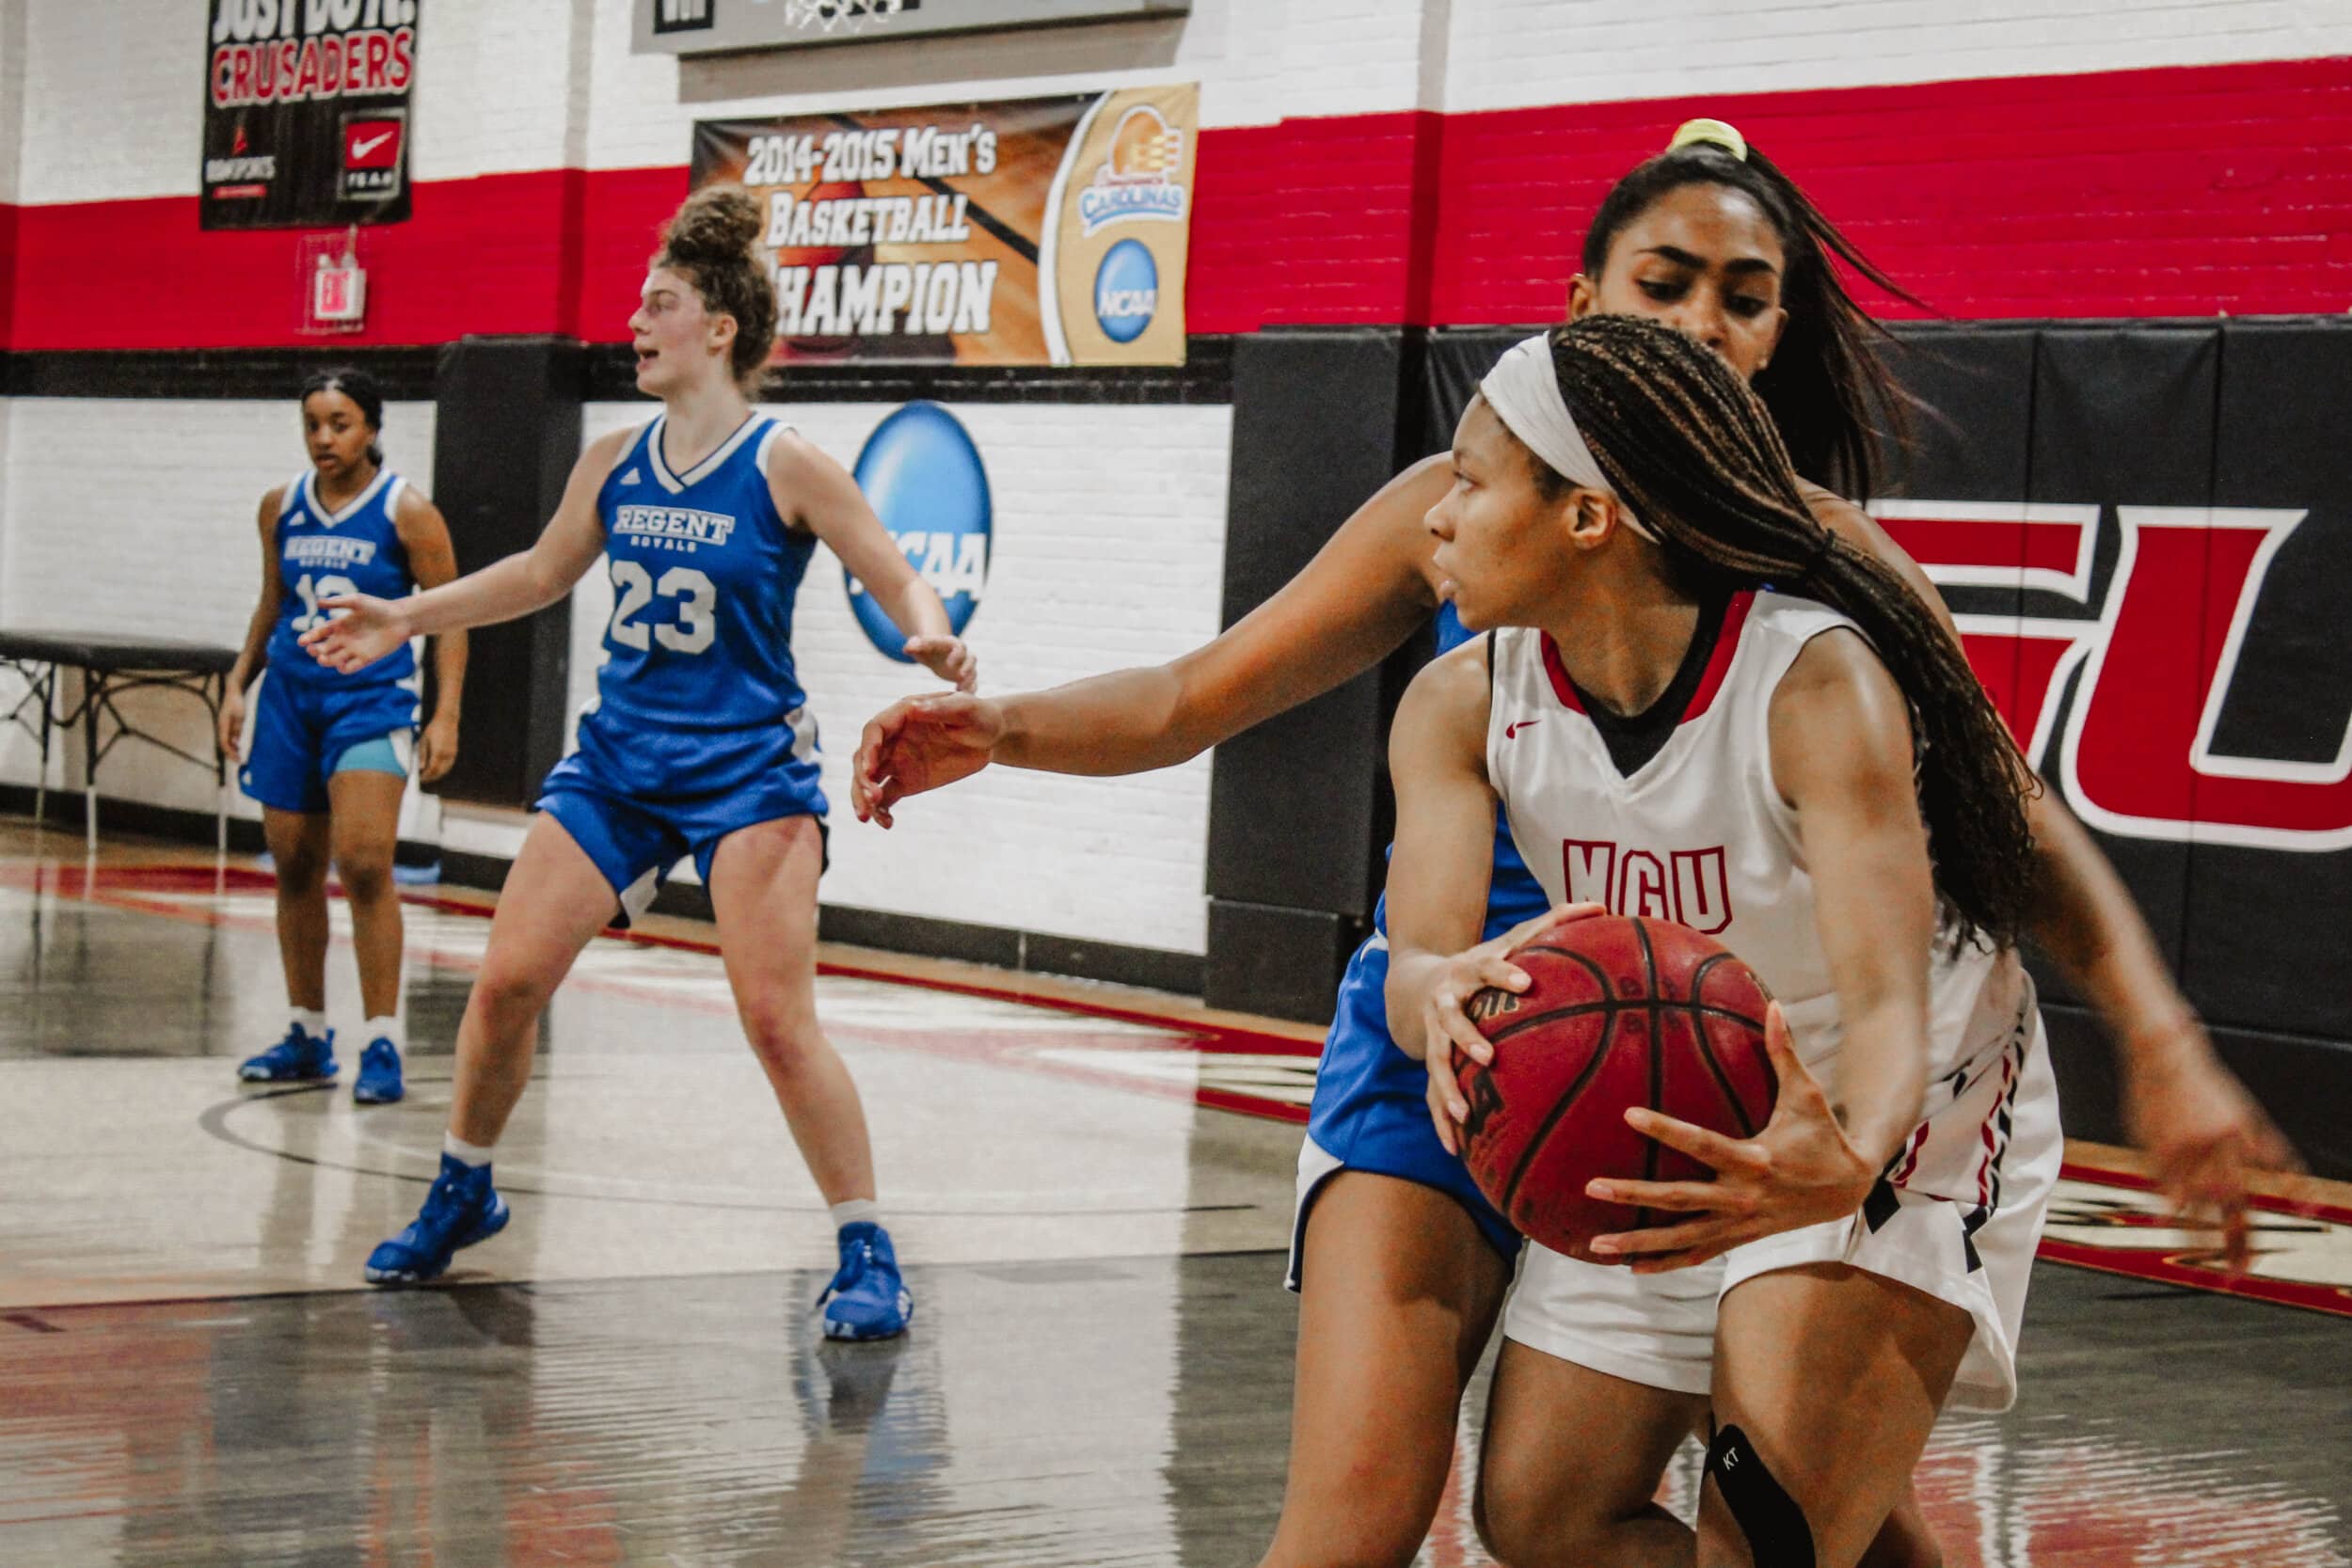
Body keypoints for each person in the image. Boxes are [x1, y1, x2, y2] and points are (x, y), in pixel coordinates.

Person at [851, 123, 2291, 1561]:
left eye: (1744, 293)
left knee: (1795, 1496)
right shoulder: (1464, 602)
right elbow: (1194, 697)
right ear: (1584, 303)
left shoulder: (1821, 607)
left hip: (1807, 1045)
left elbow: (1995, 827)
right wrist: (1010, 728)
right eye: (1667, 283)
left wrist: (2154, 1037)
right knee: (1463, 1515)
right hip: (1502, 1009)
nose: (1705, 323)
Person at [1391, 313, 2051, 1566]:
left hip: (1885, 1100)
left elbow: (1892, 1001)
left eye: (1470, 482)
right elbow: (1413, 957)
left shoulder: (1812, 681)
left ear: (1587, 515)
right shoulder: (1460, 701)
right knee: (1543, 1514)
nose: (1434, 515)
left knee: (1767, 1537)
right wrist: (1437, 991)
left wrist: (1848, 1158)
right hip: (1679, 1097)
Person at [300, 186, 977, 1339]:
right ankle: (465, 1183)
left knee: (774, 1016)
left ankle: (867, 1243)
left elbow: (891, 565)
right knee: (506, 981)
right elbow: (532, 574)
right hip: (619, 762)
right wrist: (403, 617)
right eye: (637, 302)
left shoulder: (786, 461)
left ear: (719, 329)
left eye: (658, 303)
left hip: (747, 771)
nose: (635, 320)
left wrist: (931, 622)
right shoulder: (615, 459)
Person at [223, 368, 466, 1105]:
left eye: (341, 422)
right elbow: (272, 600)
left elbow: (448, 614)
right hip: (292, 700)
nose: (325, 437)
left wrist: (446, 712)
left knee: (364, 862)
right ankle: (306, 1030)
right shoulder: (281, 507)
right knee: (294, 863)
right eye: (314, 424)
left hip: (370, 700)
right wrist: (240, 682)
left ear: (372, 429)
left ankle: (383, 1037)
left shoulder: (407, 511)